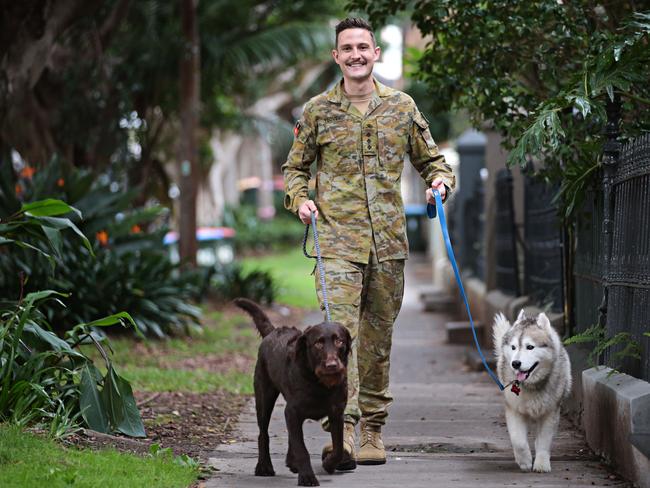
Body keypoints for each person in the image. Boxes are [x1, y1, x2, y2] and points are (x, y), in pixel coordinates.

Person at [282, 17, 455, 469]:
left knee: (376, 341)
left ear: (376, 53)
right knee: (338, 338)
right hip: (335, 241)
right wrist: (300, 199)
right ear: (336, 57)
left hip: (388, 246)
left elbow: (432, 160)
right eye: (347, 48)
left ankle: (373, 429)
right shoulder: (318, 111)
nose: (356, 54)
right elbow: (295, 170)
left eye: (363, 46)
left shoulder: (401, 106)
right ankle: (341, 432)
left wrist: (439, 180)